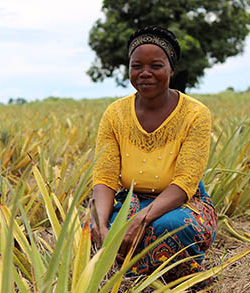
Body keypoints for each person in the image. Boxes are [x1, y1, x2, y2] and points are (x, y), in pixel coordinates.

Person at [90, 26, 217, 280]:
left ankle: (177, 276)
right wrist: (100, 224)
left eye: (156, 65)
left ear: (171, 69)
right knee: (93, 232)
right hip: (131, 199)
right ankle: (127, 279)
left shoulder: (195, 114)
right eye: (137, 66)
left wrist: (142, 219)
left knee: (168, 228)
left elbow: (185, 183)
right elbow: (104, 179)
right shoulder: (115, 114)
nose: (145, 73)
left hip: (180, 202)